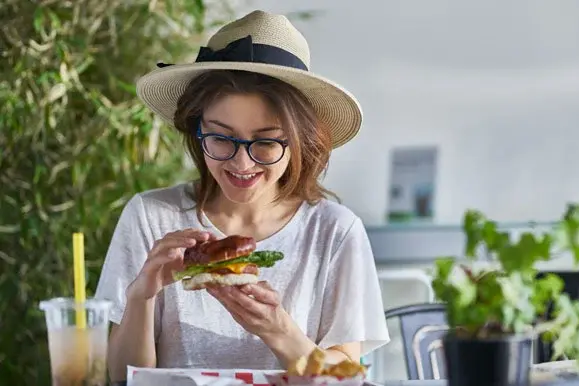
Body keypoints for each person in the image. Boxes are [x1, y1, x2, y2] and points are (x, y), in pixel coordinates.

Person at [94, 9, 390, 382]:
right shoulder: (151, 215)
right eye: (221, 137)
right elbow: (122, 378)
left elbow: (346, 380)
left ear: (298, 141)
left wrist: (278, 330)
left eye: (265, 142)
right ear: (196, 130)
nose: (241, 163)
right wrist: (140, 296)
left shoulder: (335, 231)